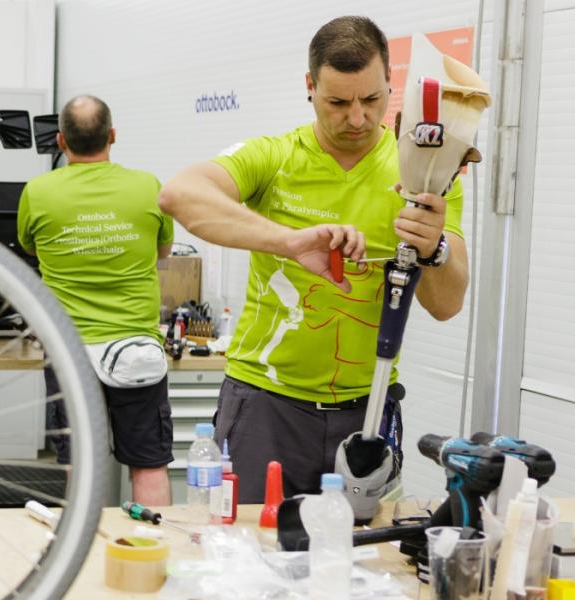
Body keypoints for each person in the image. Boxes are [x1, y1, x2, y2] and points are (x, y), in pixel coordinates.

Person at [158, 16, 468, 503]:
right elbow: (180, 195)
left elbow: (448, 304)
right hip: (266, 404)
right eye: (338, 102)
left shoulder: (425, 176)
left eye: (371, 99)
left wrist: (436, 250)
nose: (358, 118)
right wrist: (287, 241)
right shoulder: (278, 157)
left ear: (392, 84)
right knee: (245, 556)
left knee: (363, 564)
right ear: (310, 87)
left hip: (367, 409)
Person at [18, 95, 175, 506]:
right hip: (135, 347)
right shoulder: (148, 186)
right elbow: (162, 254)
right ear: (112, 135)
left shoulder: (37, 192)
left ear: (60, 141)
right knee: (148, 463)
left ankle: (82, 559)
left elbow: (31, 250)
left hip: (70, 351)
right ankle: (155, 556)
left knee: (81, 465)